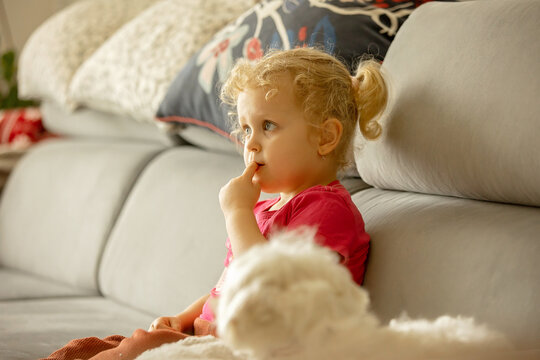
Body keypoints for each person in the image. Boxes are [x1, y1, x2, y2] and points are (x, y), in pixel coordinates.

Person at [41, 47, 387, 360]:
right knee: (93, 348)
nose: (250, 144)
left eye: (268, 126)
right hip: (210, 337)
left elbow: (267, 285)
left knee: (133, 351)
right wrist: (184, 317)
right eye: (247, 129)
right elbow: (225, 284)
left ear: (325, 137)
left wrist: (236, 213)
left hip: (255, 349)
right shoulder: (264, 209)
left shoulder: (327, 210)